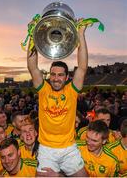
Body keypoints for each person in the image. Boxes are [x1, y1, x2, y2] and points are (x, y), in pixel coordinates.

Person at [27, 19, 88, 177]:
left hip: (69, 148)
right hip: (46, 149)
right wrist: (33, 35)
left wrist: (80, 34)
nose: (56, 78)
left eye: (60, 75)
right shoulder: (43, 89)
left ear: (67, 77)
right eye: (53, 74)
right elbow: (33, 67)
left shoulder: (72, 90)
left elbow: (82, 67)